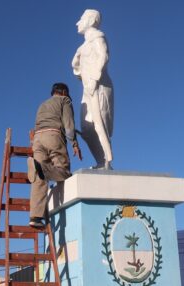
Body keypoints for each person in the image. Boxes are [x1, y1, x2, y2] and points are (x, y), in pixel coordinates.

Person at [28, 82, 82, 229]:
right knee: (63, 171)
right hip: (53, 135)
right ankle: (44, 168)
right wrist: (75, 144)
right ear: (64, 92)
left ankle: (35, 217)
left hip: (37, 139)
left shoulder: (42, 105)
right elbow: (69, 126)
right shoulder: (64, 101)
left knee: (38, 179)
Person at [72, 9, 114, 170]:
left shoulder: (98, 37)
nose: (78, 23)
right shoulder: (84, 45)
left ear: (89, 20)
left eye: (81, 19)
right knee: (87, 128)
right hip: (88, 88)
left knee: (100, 124)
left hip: (99, 86)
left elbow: (103, 56)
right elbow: (77, 68)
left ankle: (107, 162)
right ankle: (100, 161)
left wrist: (94, 79)